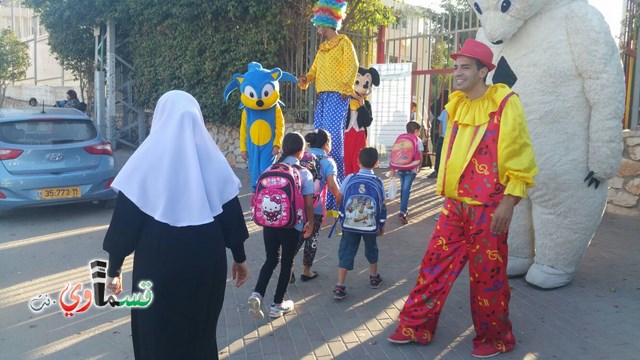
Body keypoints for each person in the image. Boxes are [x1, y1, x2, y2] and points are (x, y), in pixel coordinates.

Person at [387, 39, 538, 359]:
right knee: (433, 266)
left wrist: (509, 202)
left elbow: (520, 153)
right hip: (455, 205)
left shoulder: (505, 103)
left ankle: (495, 338)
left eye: (465, 67)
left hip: (490, 207)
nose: (457, 72)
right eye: (456, 67)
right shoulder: (456, 104)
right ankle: (416, 325)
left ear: (483, 72)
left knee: (488, 277)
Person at [102, 90, 250, 359]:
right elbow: (231, 217)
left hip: (157, 267)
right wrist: (239, 259)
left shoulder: (142, 164)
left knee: (154, 334)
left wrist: (113, 270)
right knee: (200, 334)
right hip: (206, 265)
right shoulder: (214, 162)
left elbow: (124, 226)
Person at [298, 0, 359, 217]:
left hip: (337, 96)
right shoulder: (322, 49)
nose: (317, 29)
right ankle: (316, 198)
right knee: (316, 144)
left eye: (318, 25)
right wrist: (306, 78)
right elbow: (314, 71)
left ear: (327, 23)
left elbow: (353, 65)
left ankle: (335, 202)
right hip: (323, 97)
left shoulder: (344, 42)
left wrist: (346, 87)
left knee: (332, 146)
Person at [248, 132, 315, 319]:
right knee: (287, 262)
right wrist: (309, 223)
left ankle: (257, 293)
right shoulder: (304, 173)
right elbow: (309, 204)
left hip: (269, 223)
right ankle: (277, 304)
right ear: (301, 152)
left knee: (270, 259)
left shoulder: (270, 168)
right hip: (292, 225)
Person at [333, 147, 387, 300]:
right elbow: (382, 205)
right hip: (370, 225)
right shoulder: (378, 181)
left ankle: (340, 285)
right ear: (376, 163)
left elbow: (339, 198)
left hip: (350, 225)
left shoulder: (350, 178)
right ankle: (374, 277)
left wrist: (342, 212)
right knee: (372, 248)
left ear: (358, 161)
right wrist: (382, 224)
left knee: (346, 249)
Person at [293, 129, 341, 282]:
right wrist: (341, 198)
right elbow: (332, 185)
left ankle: (288, 267)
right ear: (326, 144)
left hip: (297, 205)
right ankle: (306, 271)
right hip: (315, 206)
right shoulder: (328, 161)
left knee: (296, 236)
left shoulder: (301, 156)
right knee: (311, 237)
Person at [389, 121, 424, 225]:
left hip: (400, 168)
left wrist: (393, 169)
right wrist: (419, 166)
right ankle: (402, 212)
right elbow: (420, 155)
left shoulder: (401, 139)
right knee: (406, 190)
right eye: (419, 131)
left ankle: (403, 208)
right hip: (411, 168)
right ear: (416, 130)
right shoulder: (418, 140)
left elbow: (395, 153)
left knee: (404, 188)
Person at [428, 90, 450, 179]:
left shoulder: (444, 110)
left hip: (440, 133)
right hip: (451, 136)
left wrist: (440, 134)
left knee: (439, 153)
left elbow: (439, 123)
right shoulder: (452, 109)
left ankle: (437, 170)